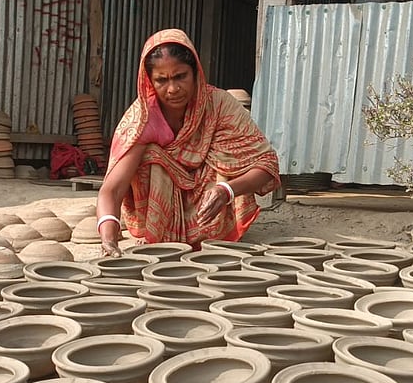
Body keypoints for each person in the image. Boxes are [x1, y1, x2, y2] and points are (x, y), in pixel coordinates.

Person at [96, 29, 281, 257]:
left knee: (227, 161)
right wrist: (108, 239)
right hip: (163, 209)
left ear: (196, 72)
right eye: (161, 80)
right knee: (148, 157)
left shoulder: (220, 105)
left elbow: (266, 163)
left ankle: (216, 236)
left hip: (212, 205)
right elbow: (112, 189)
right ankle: (162, 237)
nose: (172, 89)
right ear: (149, 82)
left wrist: (227, 190)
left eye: (180, 76)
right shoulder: (142, 119)